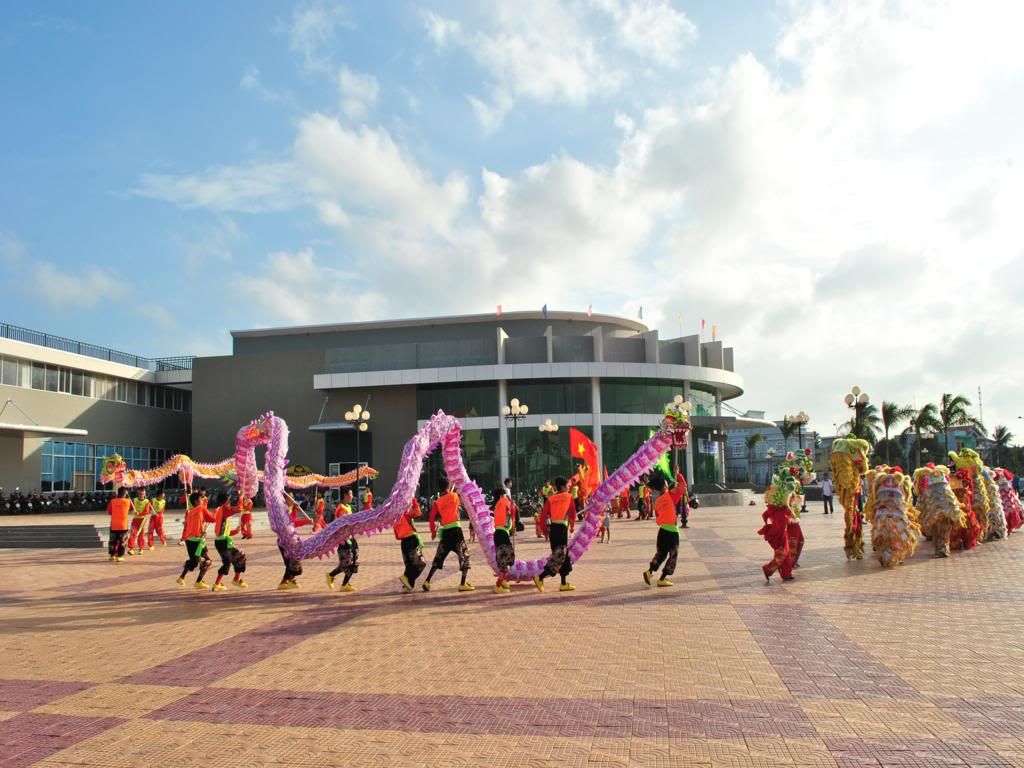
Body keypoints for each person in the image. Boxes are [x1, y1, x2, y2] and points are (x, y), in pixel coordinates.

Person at [424, 479, 473, 592]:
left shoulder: (438, 502)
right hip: (456, 532)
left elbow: (431, 517)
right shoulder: (455, 496)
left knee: (439, 557)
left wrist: (433, 532)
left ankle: (427, 581)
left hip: (446, 532)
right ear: (448, 486)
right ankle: (462, 583)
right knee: (464, 556)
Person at [643, 473, 687, 587]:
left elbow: (658, 519)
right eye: (667, 484)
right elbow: (683, 486)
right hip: (672, 532)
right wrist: (677, 473)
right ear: (664, 487)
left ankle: (649, 572)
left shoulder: (657, 501)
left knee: (661, 554)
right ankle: (662, 578)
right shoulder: (670, 496)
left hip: (662, 531)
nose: (668, 485)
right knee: (673, 555)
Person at [533, 476, 576, 592]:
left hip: (553, 529)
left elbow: (543, 516)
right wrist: (572, 527)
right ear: (562, 486)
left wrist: (545, 530)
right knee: (559, 557)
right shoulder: (569, 497)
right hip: (562, 529)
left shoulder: (551, 499)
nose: (568, 487)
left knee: (564, 556)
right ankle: (540, 577)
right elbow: (572, 514)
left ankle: (563, 584)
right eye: (567, 486)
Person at [177, 491, 215, 588]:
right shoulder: (201, 508)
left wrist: (200, 531)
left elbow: (191, 526)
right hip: (197, 541)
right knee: (207, 561)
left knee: (194, 562)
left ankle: (181, 577)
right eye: (200, 499)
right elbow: (212, 518)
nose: (202, 500)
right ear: (195, 501)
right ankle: (199, 581)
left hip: (189, 540)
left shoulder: (190, 513)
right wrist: (218, 512)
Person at [211, 493, 247, 591]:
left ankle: (216, 584)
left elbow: (223, 531)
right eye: (228, 500)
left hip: (220, 541)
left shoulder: (221, 510)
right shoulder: (224, 509)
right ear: (224, 501)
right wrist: (240, 497)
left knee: (226, 563)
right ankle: (236, 579)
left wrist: (234, 531)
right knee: (241, 556)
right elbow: (239, 508)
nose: (229, 502)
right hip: (223, 542)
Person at [326, 489, 359, 591]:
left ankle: (338, 579)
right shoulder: (341, 508)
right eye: (350, 494)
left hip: (350, 538)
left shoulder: (348, 507)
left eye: (352, 494)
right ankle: (341, 582)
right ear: (345, 495)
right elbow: (343, 525)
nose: (352, 496)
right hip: (344, 540)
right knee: (347, 563)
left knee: (353, 561)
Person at [395, 497, 426, 592]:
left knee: (410, 566)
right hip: (411, 539)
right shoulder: (405, 506)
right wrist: (414, 501)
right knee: (421, 563)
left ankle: (407, 586)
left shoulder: (396, 508)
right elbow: (417, 512)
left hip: (404, 541)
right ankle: (405, 578)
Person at [492, 486, 516, 593]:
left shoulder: (497, 505)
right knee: (507, 559)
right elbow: (513, 509)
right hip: (502, 534)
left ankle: (502, 581)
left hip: (498, 533)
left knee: (504, 559)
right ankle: (498, 585)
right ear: (502, 495)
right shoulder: (503, 501)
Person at [106, 488, 131, 562]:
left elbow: (109, 511)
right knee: (122, 541)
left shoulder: (112, 501)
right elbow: (131, 509)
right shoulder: (128, 501)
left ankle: (112, 555)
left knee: (112, 541)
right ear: (125, 493)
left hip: (114, 524)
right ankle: (119, 556)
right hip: (123, 525)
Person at [127, 488, 151, 556]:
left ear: (145, 493)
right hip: (135, 520)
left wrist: (139, 514)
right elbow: (130, 508)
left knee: (141, 535)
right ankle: (131, 549)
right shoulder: (134, 500)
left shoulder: (147, 501)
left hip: (142, 521)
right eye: (140, 493)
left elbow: (147, 511)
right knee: (133, 533)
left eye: (142, 493)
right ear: (138, 493)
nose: (141, 495)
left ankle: (141, 548)